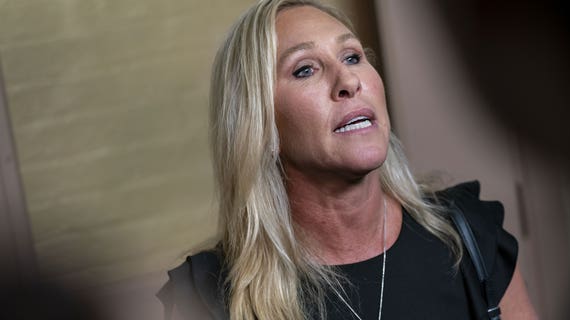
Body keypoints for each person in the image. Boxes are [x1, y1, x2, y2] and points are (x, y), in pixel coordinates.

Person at [157, 0, 538, 319]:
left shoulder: (471, 236)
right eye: (305, 69)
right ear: (261, 127)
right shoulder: (207, 297)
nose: (348, 81)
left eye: (353, 56)